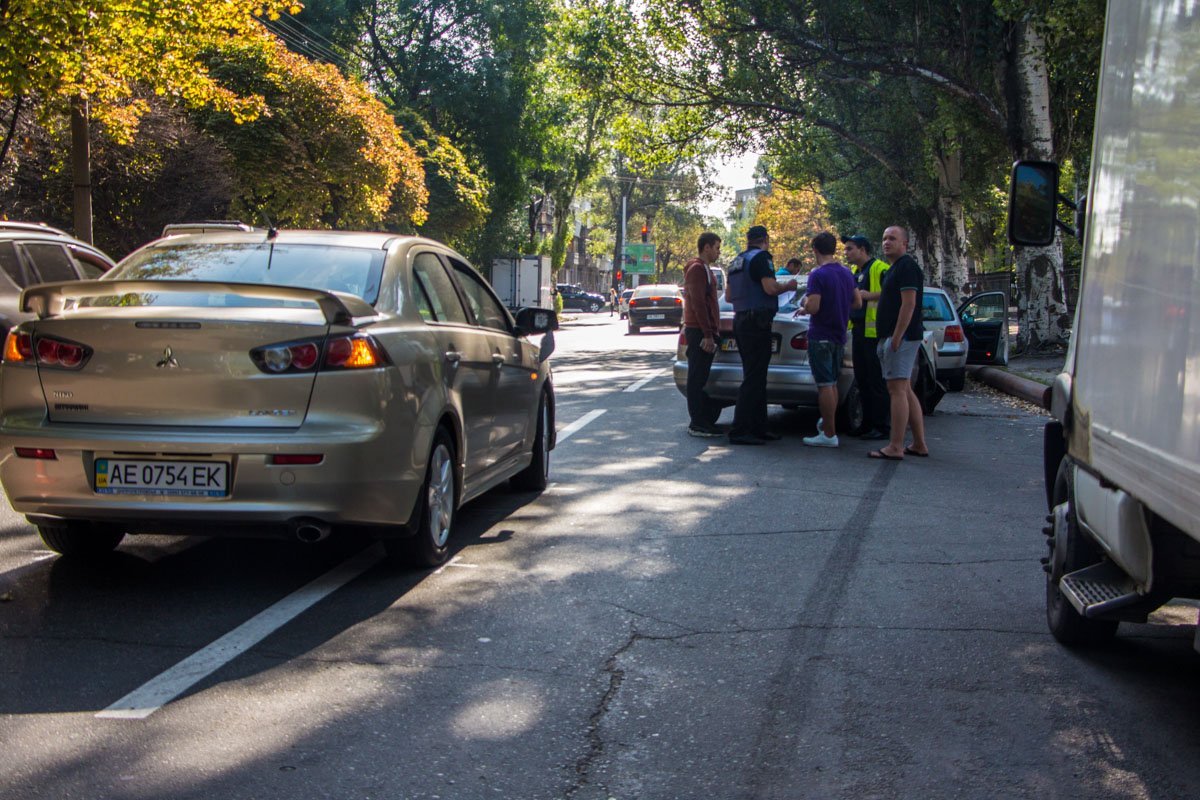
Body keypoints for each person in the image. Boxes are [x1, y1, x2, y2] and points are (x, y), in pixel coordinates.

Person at [725, 225, 799, 445]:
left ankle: (758, 427)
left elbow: (728, 296)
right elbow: (770, 288)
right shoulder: (761, 258)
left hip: (741, 319)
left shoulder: (737, 261)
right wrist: (789, 285)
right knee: (754, 378)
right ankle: (741, 430)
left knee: (755, 376)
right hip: (757, 321)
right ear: (765, 239)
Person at [869, 225, 930, 460]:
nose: (886, 242)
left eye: (892, 238)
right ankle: (918, 443)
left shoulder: (907, 267)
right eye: (884, 238)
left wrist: (896, 336)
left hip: (901, 337)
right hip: (897, 337)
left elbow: (909, 304)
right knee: (904, 389)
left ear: (905, 243)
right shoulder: (894, 269)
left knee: (896, 390)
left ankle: (895, 446)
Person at [797, 232, 860, 447]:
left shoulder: (818, 274)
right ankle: (828, 426)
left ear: (815, 250)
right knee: (832, 383)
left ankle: (829, 434)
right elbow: (858, 302)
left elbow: (813, 306)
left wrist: (805, 302)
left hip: (820, 335)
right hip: (839, 335)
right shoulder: (846, 273)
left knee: (824, 385)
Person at [842, 234, 891, 440]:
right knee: (862, 381)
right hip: (860, 332)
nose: (846, 253)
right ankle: (867, 424)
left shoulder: (880, 268)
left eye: (850, 249)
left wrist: (867, 295)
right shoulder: (855, 272)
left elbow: (891, 293)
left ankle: (881, 427)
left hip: (875, 334)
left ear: (862, 249)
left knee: (876, 382)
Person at [682, 232, 725, 437]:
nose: (718, 251)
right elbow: (698, 303)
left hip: (704, 330)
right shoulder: (697, 268)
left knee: (701, 377)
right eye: (716, 247)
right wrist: (707, 334)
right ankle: (697, 423)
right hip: (698, 330)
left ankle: (702, 420)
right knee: (696, 378)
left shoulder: (705, 268)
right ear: (706, 247)